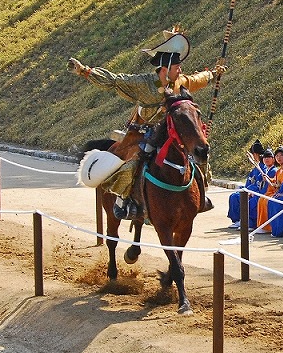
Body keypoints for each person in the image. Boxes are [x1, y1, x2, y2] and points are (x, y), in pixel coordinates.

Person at [68, 27, 225, 218]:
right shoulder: (144, 83)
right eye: (177, 68)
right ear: (165, 69)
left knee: (198, 153)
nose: (180, 71)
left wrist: (213, 74)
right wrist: (85, 71)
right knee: (134, 163)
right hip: (142, 135)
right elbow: (116, 80)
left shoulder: (179, 82)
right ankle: (125, 201)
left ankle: (200, 194)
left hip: (170, 133)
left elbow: (195, 79)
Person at [227, 139, 266, 229]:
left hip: (256, 192)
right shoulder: (255, 168)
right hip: (249, 190)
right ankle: (238, 220)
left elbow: (260, 185)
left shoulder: (263, 168)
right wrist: (244, 189)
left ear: (255, 154)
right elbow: (249, 182)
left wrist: (251, 192)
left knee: (249, 201)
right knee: (234, 196)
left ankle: (249, 222)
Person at [256, 145, 283, 234]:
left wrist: (277, 187)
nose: (279, 158)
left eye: (281, 155)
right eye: (277, 156)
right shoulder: (279, 170)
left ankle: (269, 227)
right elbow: (274, 181)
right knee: (261, 199)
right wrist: (267, 178)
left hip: (281, 192)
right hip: (276, 191)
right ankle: (263, 226)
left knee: (267, 201)